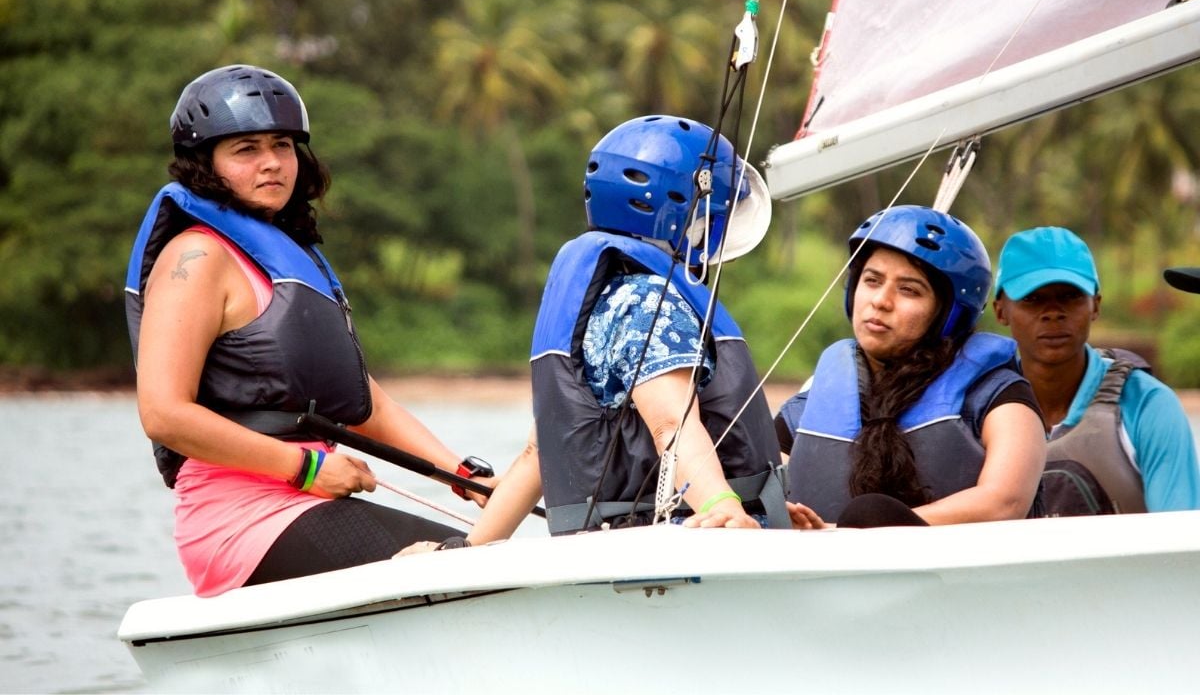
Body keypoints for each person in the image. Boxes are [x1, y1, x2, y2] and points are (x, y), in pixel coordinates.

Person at [127, 64, 496, 596]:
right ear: (205, 165)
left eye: (282, 144)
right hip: (239, 519)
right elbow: (164, 414)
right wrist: (303, 468)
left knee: (487, 547)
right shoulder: (199, 256)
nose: (273, 162)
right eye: (246, 149)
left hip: (307, 501)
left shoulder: (287, 261)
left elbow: (368, 406)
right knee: (468, 567)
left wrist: (463, 474)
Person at [402, 114, 790, 552]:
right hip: (676, 541)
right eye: (712, 219)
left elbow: (540, 452)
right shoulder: (648, 303)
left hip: (604, 542)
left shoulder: (604, 296)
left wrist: (468, 549)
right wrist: (723, 507)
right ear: (684, 215)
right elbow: (671, 424)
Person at [775, 205, 1047, 528]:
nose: (881, 301)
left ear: (949, 313)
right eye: (872, 280)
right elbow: (761, 495)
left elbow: (1006, 500)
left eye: (909, 290)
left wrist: (868, 530)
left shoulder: (999, 395)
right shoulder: (808, 405)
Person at [994, 226, 1200, 515]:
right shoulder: (979, 406)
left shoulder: (1147, 404)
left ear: (1095, 306)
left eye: (1070, 296)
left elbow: (1179, 537)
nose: (1053, 312)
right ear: (1000, 311)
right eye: (1032, 299)